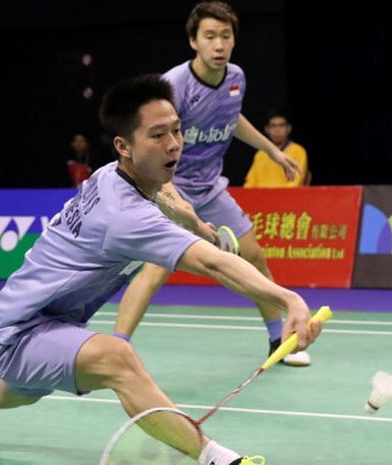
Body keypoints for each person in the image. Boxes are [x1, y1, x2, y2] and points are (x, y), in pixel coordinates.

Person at [0, 75, 323, 465]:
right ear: (124, 146)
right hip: (21, 332)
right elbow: (213, 263)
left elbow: (165, 189)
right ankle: (215, 459)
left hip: (41, 323)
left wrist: (189, 217)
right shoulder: (125, 217)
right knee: (118, 359)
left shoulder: (113, 174)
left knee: (8, 393)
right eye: (157, 135)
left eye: (177, 130)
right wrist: (288, 298)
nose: (173, 144)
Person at [113, 1, 311, 366]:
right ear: (193, 41)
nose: (218, 44)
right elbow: (151, 147)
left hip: (210, 187)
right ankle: (115, 349)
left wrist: (272, 151)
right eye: (209, 36)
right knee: (157, 268)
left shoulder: (236, 77)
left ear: (234, 40)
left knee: (254, 256)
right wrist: (171, 200)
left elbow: (232, 119)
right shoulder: (173, 87)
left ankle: (275, 340)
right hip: (169, 184)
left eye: (225, 36)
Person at [244, 111, 309, 187]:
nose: (277, 129)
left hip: (285, 196)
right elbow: (250, 183)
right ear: (266, 129)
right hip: (260, 196)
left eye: (281, 125)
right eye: (273, 126)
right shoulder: (261, 153)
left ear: (289, 128)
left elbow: (296, 182)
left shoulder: (298, 151)